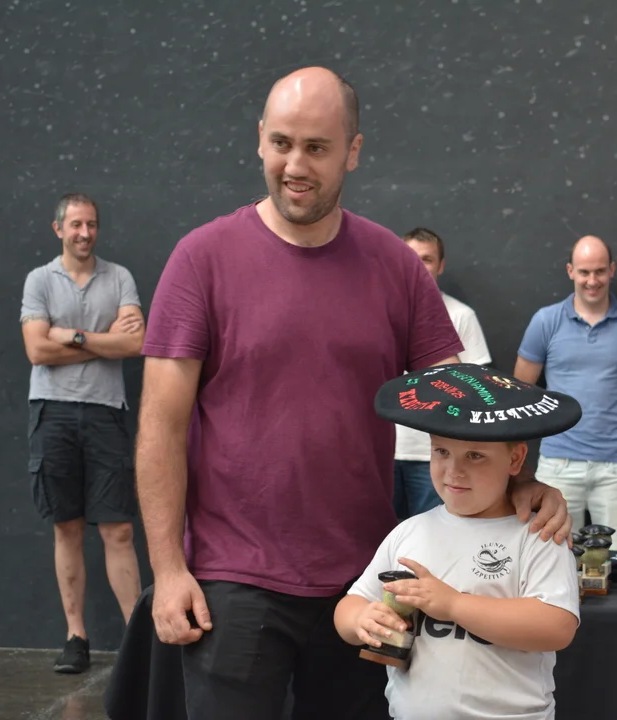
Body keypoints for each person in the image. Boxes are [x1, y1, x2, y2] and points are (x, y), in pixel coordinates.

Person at [134, 66, 571, 720]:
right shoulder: (202, 259)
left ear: (353, 151)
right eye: (281, 143)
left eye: (316, 147)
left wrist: (522, 483)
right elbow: (160, 428)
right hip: (235, 577)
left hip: (363, 579)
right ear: (259, 138)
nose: (294, 165)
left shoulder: (393, 266)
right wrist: (168, 571)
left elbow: (461, 406)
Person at [336, 364, 582, 720]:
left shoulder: (538, 534)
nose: (454, 470)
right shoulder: (409, 532)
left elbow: (556, 627)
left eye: (475, 455)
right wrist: (361, 618)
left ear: (515, 458)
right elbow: (352, 603)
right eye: (441, 452)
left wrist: (453, 605)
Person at [19, 192, 145, 673]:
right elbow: (37, 351)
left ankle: (138, 642)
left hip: (106, 413)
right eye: (75, 225)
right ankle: (76, 637)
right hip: (51, 412)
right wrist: (103, 341)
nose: (84, 233)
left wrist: (67, 335)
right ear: (59, 229)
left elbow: (136, 343)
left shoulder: (120, 278)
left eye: (91, 224)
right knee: (67, 527)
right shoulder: (39, 280)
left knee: (119, 529)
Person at [513, 235, 617, 552]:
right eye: (584, 272)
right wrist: (552, 423)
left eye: (599, 271)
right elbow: (520, 389)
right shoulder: (546, 321)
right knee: (552, 562)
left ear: (612, 270)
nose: (592, 280)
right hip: (558, 464)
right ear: (570, 271)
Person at [393, 227, 492, 520]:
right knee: (380, 538)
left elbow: (475, 390)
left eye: (427, 259)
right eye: (411, 257)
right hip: (384, 451)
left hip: (433, 456)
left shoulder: (461, 316)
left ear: (441, 265)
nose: (419, 266)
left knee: (432, 536)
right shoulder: (380, 311)